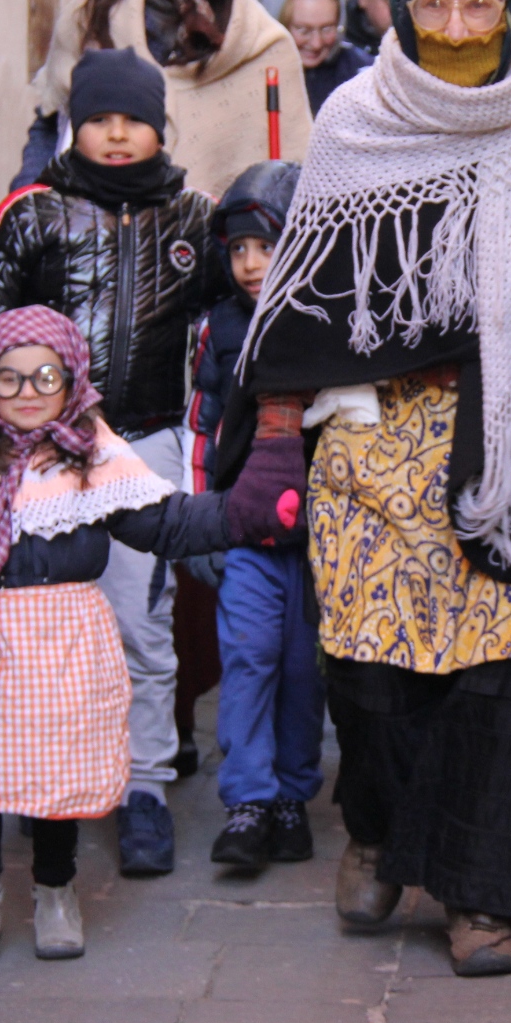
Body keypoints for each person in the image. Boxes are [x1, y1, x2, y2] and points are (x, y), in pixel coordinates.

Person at [234, 0, 511, 977]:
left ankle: (478, 896)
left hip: (506, 446)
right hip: (371, 447)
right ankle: (376, 831)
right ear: (401, 8)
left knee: (502, 680)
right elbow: (308, 299)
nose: (458, 24)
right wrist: (277, 443)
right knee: (370, 675)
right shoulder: (355, 118)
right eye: (436, 4)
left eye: (480, 4)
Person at [0, 306, 303, 971]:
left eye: (43, 376)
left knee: (55, 772)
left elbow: (167, 524)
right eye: (9, 378)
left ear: (70, 379)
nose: (26, 392)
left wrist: (246, 512)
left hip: (63, 639)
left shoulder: (91, 453)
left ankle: (56, 893)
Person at [0, 47, 216, 879]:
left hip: (146, 441)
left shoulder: (193, 218)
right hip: (41, 444)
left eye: (133, 119)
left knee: (139, 620)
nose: (117, 134)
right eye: (99, 119)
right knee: (30, 621)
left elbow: (231, 323)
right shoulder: (35, 215)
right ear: (75, 125)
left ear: (158, 125)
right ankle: (30, 770)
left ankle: (146, 787)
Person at [185, 160, 326, 870]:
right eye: (237, 249)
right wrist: (207, 519)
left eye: (265, 247)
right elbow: (203, 427)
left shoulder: (330, 318)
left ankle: (293, 794)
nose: (249, 264)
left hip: (318, 540)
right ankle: (247, 800)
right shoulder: (219, 328)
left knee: (304, 669)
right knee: (248, 658)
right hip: (244, 531)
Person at [23, 0, 312, 197]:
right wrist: (25, 210)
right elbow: (50, 125)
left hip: (220, 244)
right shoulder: (91, 20)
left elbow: (296, 180)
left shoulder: (267, 48)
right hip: (98, 239)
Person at [261, 0, 373, 115]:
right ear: (279, 25)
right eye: (303, 30)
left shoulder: (362, 74)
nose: (316, 43)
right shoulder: (255, 74)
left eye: (327, 29)